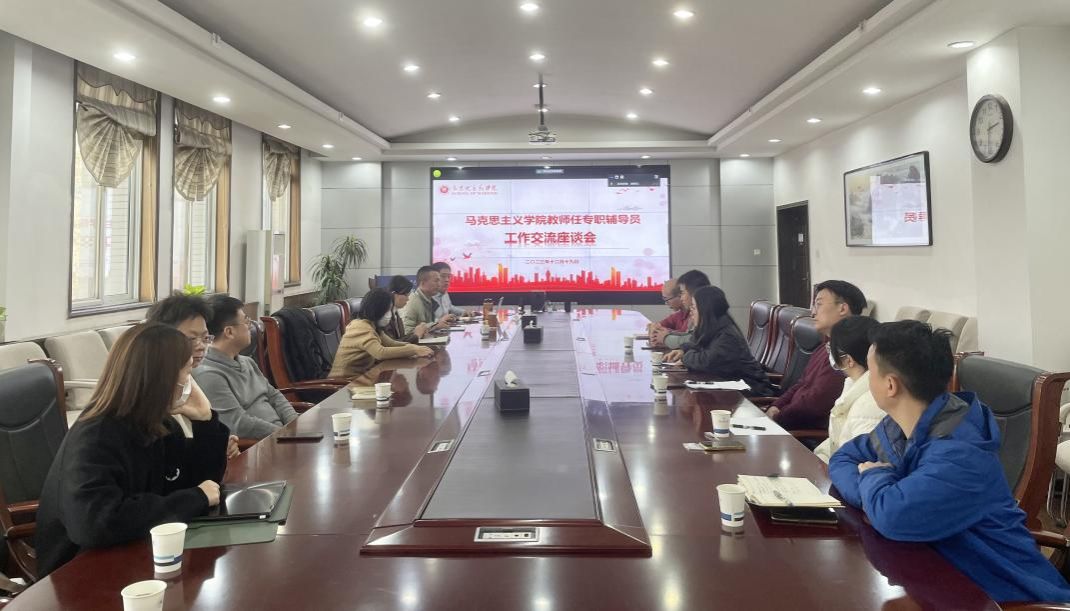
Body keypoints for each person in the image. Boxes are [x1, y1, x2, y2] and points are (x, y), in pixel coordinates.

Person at [830, 321, 1070, 603]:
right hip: (938, 579)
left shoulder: (960, 456)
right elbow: (843, 459)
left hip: (1008, 599)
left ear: (890, 385)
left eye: (871, 372)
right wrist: (875, 495)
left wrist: (874, 480)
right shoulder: (899, 427)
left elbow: (891, 516)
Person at [35, 323, 229, 577]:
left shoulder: (157, 423)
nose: (189, 381)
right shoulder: (96, 435)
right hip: (79, 572)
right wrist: (194, 498)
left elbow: (202, 483)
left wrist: (205, 420)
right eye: (187, 372)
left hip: (136, 552)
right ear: (163, 379)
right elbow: (96, 523)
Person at [147, 292, 239, 458]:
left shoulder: (189, 380)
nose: (201, 346)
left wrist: (216, 443)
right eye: (191, 339)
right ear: (162, 338)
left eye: (205, 338)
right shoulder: (151, 393)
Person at [766, 280, 866, 431]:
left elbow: (814, 404)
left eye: (818, 304)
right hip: (789, 423)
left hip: (806, 434)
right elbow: (801, 383)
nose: (812, 312)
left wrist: (777, 417)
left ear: (842, 308)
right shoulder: (825, 346)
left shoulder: (847, 354)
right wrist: (776, 406)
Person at [194, 295, 299, 440]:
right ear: (229, 332)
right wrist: (286, 434)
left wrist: (296, 425)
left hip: (284, 436)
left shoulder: (247, 362)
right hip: (262, 445)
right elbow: (239, 424)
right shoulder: (208, 374)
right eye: (246, 321)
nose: (250, 326)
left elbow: (275, 396)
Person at [663, 286, 775, 396]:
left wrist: (685, 357)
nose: (691, 312)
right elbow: (695, 343)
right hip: (729, 387)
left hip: (750, 389)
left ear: (705, 311)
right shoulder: (711, 327)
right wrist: (683, 350)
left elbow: (706, 361)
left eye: (694, 308)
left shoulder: (727, 336)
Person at [813, 316, 884, 463]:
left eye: (831, 348)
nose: (830, 353)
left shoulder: (869, 405)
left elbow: (856, 461)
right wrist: (818, 457)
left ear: (848, 360)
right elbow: (837, 439)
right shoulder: (853, 383)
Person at [331, 288, 434, 378]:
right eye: (387, 310)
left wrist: (416, 348)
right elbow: (380, 353)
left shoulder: (373, 325)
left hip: (361, 378)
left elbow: (392, 343)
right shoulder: (360, 327)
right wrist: (413, 350)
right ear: (377, 309)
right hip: (343, 383)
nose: (390, 314)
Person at [652, 270, 710, 349]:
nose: (681, 298)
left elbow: (693, 341)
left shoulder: (705, 315)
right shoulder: (694, 313)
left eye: (682, 293)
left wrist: (666, 338)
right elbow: (689, 337)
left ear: (694, 293)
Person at [401, 266, 452, 335]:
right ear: (422, 283)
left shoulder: (428, 300)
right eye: (436, 281)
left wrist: (435, 325)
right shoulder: (413, 302)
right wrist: (435, 326)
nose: (439, 284)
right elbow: (406, 331)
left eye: (439, 281)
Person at [384, 275, 429, 343]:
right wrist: (416, 336)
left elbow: (401, 338)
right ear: (394, 294)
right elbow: (392, 344)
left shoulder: (395, 312)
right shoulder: (385, 316)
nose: (408, 299)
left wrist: (418, 332)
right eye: (406, 295)